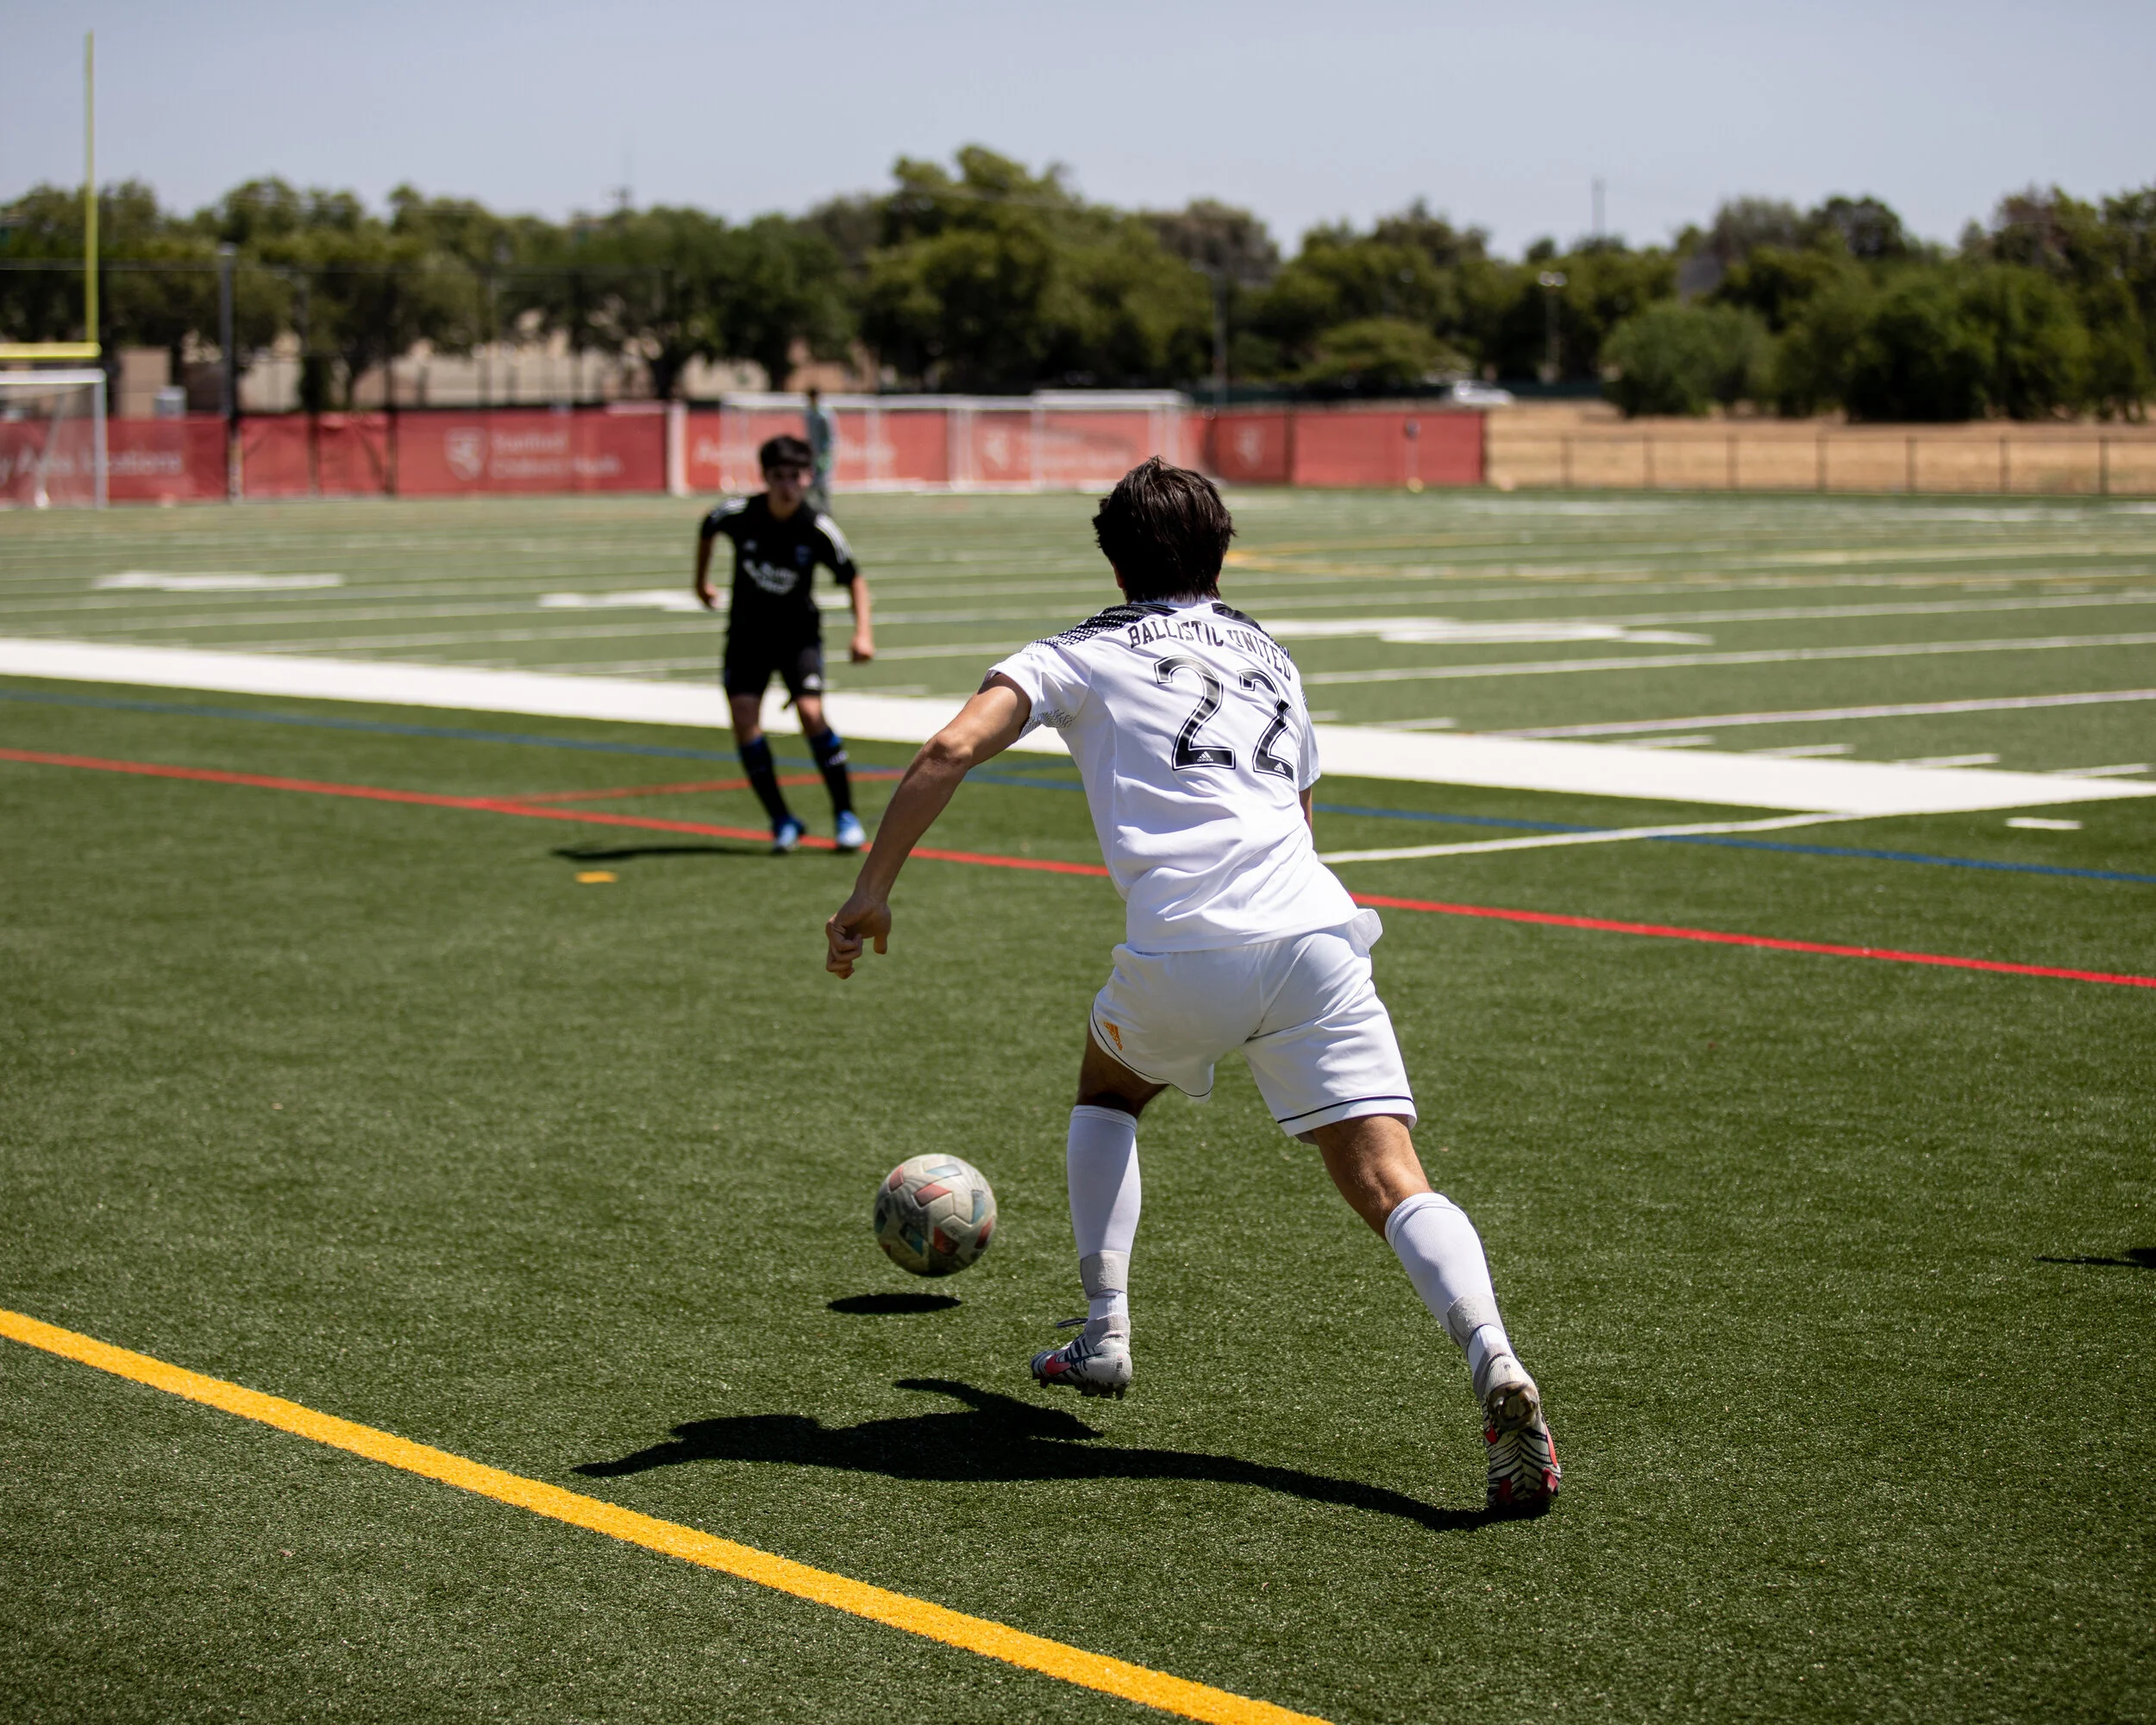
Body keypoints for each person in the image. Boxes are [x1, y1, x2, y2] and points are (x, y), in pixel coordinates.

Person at [822, 458, 1559, 1514]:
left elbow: (948, 747)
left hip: (1183, 946)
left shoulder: (1077, 649)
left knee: (1109, 1091)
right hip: (1313, 931)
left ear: (1115, 559)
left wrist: (872, 891)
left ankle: (1105, 1330)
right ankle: (1491, 1353)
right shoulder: (1272, 654)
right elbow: (1301, 813)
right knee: (1394, 1179)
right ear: (1221, 552)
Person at [695, 433, 874, 854]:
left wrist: (862, 631)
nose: (787, 485)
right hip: (746, 637)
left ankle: (845, 815)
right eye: (778, 477)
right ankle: (782, 819)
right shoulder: (741, 515)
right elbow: (708, 525)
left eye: (795, 476)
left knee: (812, 714)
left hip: (798, 640)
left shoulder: (817, 527)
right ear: (765, 478)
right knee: (744, 718)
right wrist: (700, 580)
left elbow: (854, 577)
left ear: (808, 477)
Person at [804, 387, 837, 515]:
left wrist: (826, 453)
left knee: (822, 482)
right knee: (813, 482)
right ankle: (818, 508)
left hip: (823, 454)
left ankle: (825, 509)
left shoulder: (825, 414)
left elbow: (830, 437)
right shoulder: (809, 414)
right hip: (812, 453)